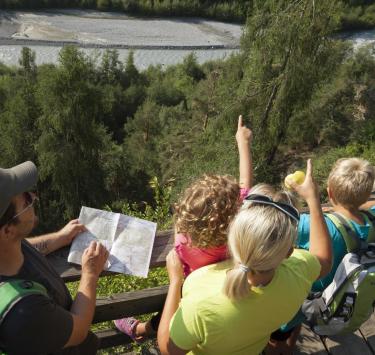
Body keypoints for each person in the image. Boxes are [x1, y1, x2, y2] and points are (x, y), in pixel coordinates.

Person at [157, 159, 333, 355]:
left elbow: (168, 349)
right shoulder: (299, 272)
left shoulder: (200, 293)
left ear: (231, 239)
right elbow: (324, 260)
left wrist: (175, 281)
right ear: (289, 251)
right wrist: (313, 200)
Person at [115, 115, 253, 341]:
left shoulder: (183, 245)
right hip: (230, 293)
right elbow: (246, 182)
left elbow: (180, 226)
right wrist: (243, 142)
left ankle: (139, 330)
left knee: (170, 314)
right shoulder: (241, 226)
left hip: (191, 293)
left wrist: (180, 219)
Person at [0, 161, 109, 355]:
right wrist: (90, 274)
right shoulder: (24, 311)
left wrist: (60, 238)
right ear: (8, 230)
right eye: (25, 199)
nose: (33, 196)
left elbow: (26, 246)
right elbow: (80, 329)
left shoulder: (8, 245)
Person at [271, 157, 375, 354]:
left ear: (330, 193)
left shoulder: (312, 225)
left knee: (281, 332)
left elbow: (276, 223)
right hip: (336, 295)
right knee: (297, 321)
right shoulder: (371, 220)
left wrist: (309, 199)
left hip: (306, 295)